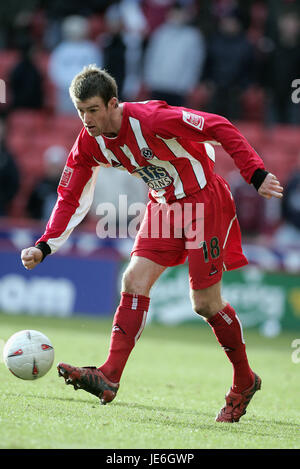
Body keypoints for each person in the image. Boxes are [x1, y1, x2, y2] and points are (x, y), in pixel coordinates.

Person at [21, 65, 283, 423]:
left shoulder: (151, 118)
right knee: (132, 281)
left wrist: (255, 172)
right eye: (80, 111)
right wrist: (45, 245)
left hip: (204, 201)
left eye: (93, 110)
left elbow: (218, 125)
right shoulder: (89, 140)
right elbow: (70, 195)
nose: (87, 119)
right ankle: (110, 374)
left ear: (113, 103)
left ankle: (244, 381)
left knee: (205, 304)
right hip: (163, 205)